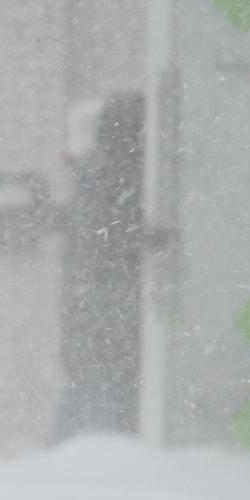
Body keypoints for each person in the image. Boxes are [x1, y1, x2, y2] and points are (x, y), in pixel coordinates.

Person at [55, 93, 153, 441]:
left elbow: (96, 233)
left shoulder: (97, 173)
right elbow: (108, 234)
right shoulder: (114, 173)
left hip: (90, 308)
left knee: (89, 391)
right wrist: (152, 237)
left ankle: (74, 449)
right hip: (106, 310)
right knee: (106, 397)